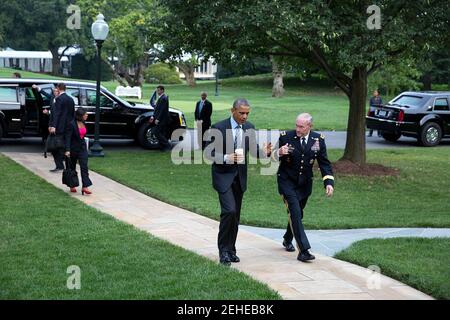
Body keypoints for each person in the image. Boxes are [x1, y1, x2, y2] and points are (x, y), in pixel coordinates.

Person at [207, 98, 271, 266]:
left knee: (235, 216)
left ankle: (231, 250)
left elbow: (255, 151)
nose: (244, 116)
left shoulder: (249, 127)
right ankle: (223, 252)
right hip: (223, 177)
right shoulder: (219, 127)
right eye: (242, 113)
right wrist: (227, 158)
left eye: (247, 113)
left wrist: (265, 153)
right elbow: (209, 153)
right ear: (232, 111)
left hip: (240, 178)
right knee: (229, 211)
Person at [275, 113, 334, 262]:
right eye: (296, 125)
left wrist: (328, 182)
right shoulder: (286, 136)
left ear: (309, 126)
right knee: (294, 212)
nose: (298, 129)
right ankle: (304, 250)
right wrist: (279, 152)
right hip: (286, 182)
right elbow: (270, 155)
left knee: (297, 214)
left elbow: (324, 163)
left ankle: (287, 238)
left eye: (301, 126)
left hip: (304, 185)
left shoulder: (318, 140)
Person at [64, 108, 93, 195]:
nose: (87, 115)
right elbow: (68, 138)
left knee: (84, 167)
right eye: (85, 114)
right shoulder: (71, 124)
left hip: (82, 148)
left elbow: (83, 135)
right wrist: (67, 150)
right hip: (73, 149)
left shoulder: (84, 123)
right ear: (80, 116)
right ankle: (72, 184)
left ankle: (85, 186)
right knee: (72, 168)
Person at [48, 83, 75, 172]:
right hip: (69, 125)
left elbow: (57, 114)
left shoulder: (59, 99)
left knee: (55, 146)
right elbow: (72, 114)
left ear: (59, 89)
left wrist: (53, 126)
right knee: (66, 145)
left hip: (60, 126)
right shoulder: (71, 99)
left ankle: (59, 165)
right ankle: (67, 165)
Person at [32, 84, 61, 165]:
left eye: (56, 91)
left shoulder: (60, 100)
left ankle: (58, 152)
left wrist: (48, 112)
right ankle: (52, 150)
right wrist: (38, 88)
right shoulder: (52, 97)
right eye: (54, 91)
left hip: (58, 123)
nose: (55, 92)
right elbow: (45, 94)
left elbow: (58, 112)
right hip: (52, 121)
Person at [150, 85, 171, 151]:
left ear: (162, 90)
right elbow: (157, 108)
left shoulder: (164, 98)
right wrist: (153, 116)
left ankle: (167, 144)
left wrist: (157, 119)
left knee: (156, 132)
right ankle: (162, 147)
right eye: (157, 90)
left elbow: (162, 110)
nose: (157, 91)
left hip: (161, 119)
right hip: (159, 118)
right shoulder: (161, 97)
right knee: (161, 133)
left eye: (158, 90)